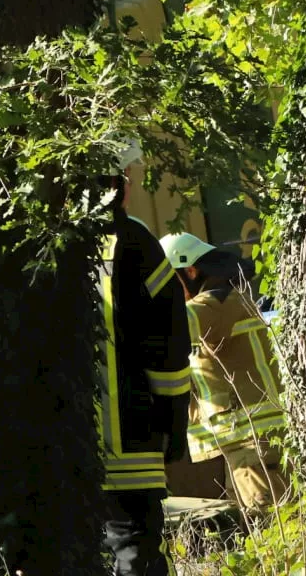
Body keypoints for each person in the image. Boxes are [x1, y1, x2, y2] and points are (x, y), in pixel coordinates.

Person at [97, 144, 192, 576]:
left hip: (56, 446)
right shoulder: (134, 241)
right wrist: (174, 429)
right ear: (118, 185)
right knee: (135, 552)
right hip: (131, 444)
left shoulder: (41, 241)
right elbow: (168, 346)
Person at [159, 232, 288, 513]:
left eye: (165, 284)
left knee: (269, 523)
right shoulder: (227, 299)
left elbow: (167, 331)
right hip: (246, 444)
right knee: (260, 528)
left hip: (251, 443)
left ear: (190, 271)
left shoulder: (213, 304)